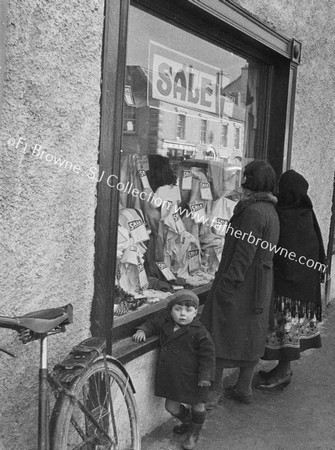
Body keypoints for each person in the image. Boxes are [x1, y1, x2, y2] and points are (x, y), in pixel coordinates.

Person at [201, 160, 280, 407]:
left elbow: (243, 254)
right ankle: (244, 388)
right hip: (259, 283)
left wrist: (227, 285)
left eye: (246, 177)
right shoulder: (269, 210)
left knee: (219, 331)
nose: (242, 182)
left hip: (242, 284)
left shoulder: (253, 212)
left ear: (251, 182)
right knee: (251, 334)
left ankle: (214, 391)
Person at [256, 169, 326, 389]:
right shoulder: (306, 213)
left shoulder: (283, 214)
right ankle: (282, 368)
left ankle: (283, 372)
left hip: (288, 289)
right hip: (304, 288)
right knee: (289, 331)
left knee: (285, 329)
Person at [133, 290, 215, 450]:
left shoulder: (200, 333)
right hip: (173, 376)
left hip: (195, 377)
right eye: (178, 309)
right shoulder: (167, 323)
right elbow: (152, 324)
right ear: (170, 310)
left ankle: (194, 433)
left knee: (197, 404)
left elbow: (208, 356)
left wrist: (205, 376)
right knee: (171, 406)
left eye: (188, 310)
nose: (182, 314)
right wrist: (143, 330)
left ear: (195, 312)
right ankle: (188, 422)